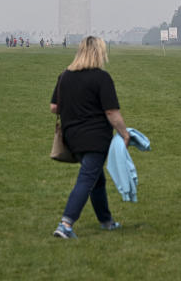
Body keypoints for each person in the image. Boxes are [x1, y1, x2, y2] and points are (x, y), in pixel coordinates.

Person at [50, 36, 130, 239]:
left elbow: (54, 107)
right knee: (87, 179)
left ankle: (106, 221)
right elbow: (112, 112)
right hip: (96, 138)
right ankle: (66, 224)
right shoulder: (101, 78)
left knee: (96, 179)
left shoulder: (64, 76)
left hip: (72, 137)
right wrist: (125, 134)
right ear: (99, 53)